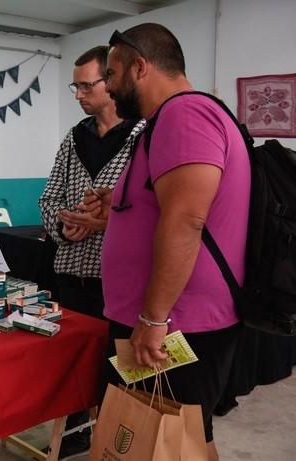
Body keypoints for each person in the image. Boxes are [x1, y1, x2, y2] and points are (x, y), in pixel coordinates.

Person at [96, 23, 250, 461]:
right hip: (166, 319)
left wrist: (152, 318)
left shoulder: (185, 115)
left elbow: (186, 220)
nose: (107, 86)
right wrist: (119, 204)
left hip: (177, 322)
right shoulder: (169, 120)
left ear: (140, 67)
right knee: (174, 434)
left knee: (176, 435)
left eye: (110, 74)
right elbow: (168, 206)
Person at [38, 45, 144, 459]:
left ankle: (120, 434)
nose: (79, 94)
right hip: (72, 275)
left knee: (119, 365)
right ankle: (78, 430)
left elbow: (154, 214)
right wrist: (65, 229)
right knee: (74, 364)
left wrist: (106, 224)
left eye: (87, 85)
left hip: (120, 285)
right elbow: (48, 200)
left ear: (112, 82)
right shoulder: (75, 137)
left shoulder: (143, 135)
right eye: (75, 86)